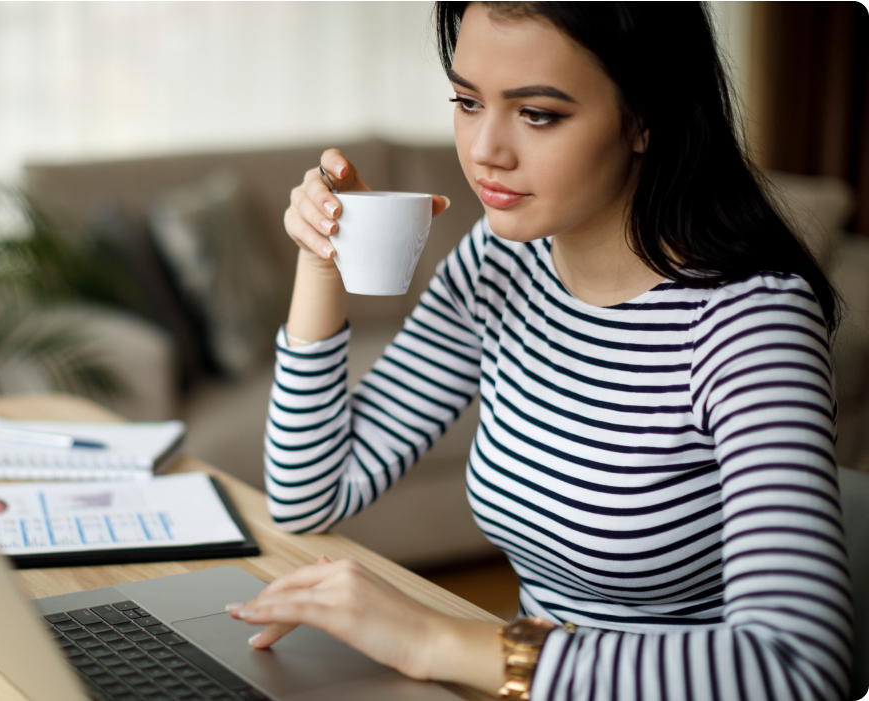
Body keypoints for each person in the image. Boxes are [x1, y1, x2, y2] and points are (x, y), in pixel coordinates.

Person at [225, 2, 853, 699]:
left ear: (644, 116)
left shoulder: (751, 324)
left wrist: (430, 637)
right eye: (467, 102)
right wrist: (323, 258)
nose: (485, 150)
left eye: (538, 113)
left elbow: (798, 665)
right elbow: (308, 494)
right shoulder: (501, 261)